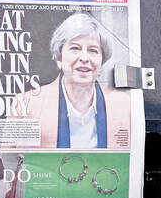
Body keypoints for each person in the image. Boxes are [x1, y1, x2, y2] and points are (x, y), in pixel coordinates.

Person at [28, 13, 130, 150]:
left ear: (102, 61)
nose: (84, 58)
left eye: (93, 50)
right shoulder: (27, 104)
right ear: (59, 58)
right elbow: (10, 162)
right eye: (75, 48)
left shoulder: (124, 104)